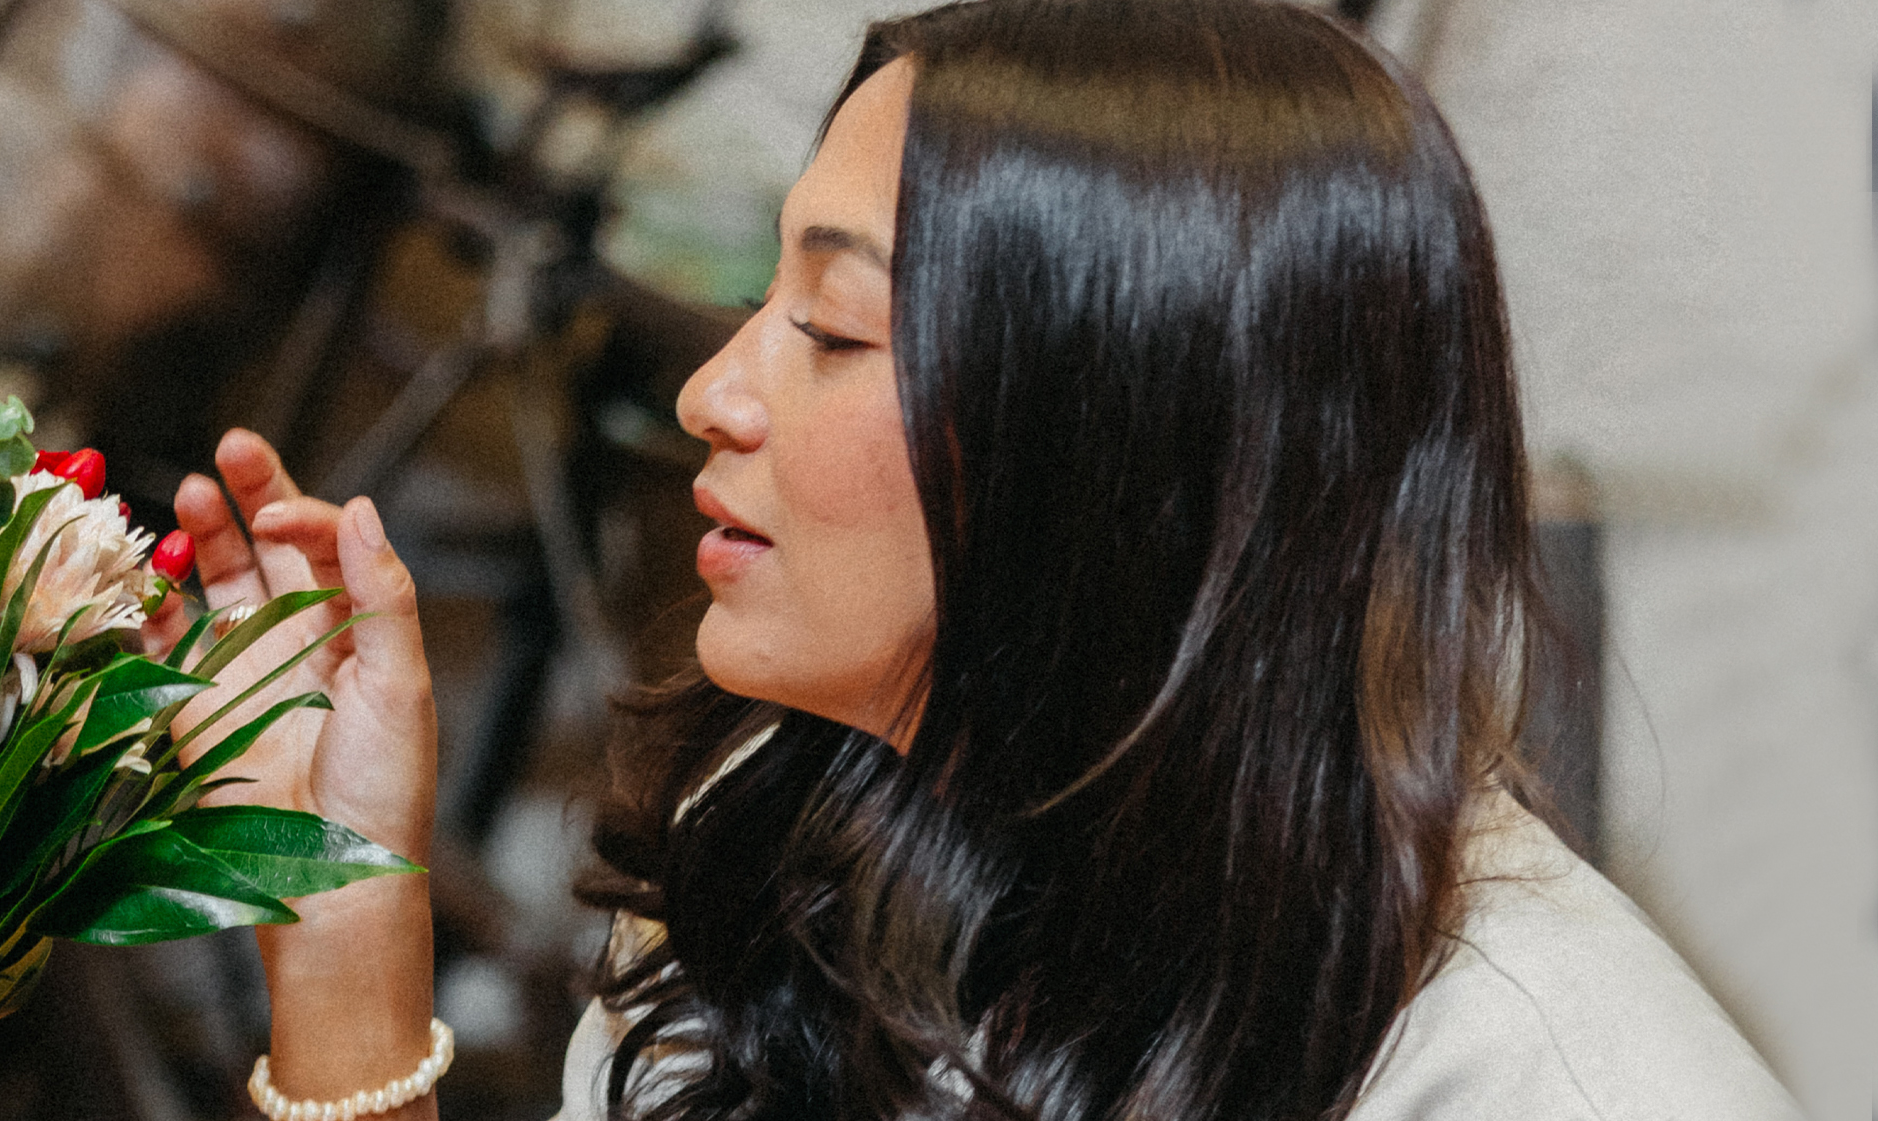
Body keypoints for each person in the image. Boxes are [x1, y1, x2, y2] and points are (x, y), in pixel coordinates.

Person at [149, 1, 1808, 1118]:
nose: (711, 391)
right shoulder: (786, 863)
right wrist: (345, 907)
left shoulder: (1542, 1069)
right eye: (759, 302)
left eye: (835, 326)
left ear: (1112, 442)